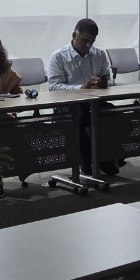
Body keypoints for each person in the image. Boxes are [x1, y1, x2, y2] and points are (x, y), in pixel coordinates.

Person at [46, 18, 119, 176]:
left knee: (115, 115)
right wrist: (81, 87)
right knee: (79, 118)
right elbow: (54, 87)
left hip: (94, 102)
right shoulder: (59, 56)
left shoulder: (99, 54)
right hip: (67, 105)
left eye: (92, 42)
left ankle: (106, 156)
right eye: (85, 40)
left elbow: (108, 80)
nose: (88, 45)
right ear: (74, 35)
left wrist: (104, 83)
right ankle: (91, 160)